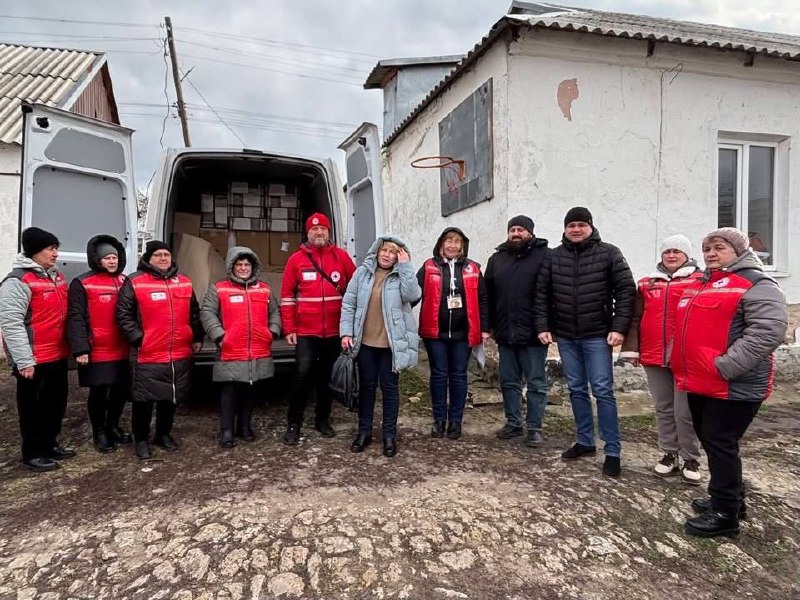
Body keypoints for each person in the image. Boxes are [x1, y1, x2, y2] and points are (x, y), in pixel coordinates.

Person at [672, 228, 787, 537]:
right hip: (699, 380)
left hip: (733, 384)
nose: (711, 253)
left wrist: (725, 367)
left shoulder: (757, 284)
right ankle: (730, 499)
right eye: (707, 248)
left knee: (720, 441)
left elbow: (769, 331)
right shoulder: (703, 282)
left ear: (739, 250)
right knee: (713, 440)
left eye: (719, 247)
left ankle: (725, 515)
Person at [535, 207, 635, 477]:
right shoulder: (554, 257)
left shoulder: (609, 253)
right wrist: (543, 326)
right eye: (571, 225)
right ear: (565, 228)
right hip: (566, 336)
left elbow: (626, 290)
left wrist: (618, 327)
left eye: (581, 224)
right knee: (576, 390)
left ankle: (612, 451)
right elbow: (541, 294)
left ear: (590, 226)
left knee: (603, 390)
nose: (576, 229)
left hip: (598, 336)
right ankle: (585, 441)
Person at [621, 234, 703, 484]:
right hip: (654, 355)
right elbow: (635, 319)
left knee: (684, 410)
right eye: (667, 251)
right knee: (663, 407)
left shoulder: (702, 280)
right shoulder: (647, 284)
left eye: (677, 251)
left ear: (687, 255)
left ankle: (691, 457)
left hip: (686, 357)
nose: (671, 255)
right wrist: (632, 350)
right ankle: (669, 453)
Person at [116, 240, 203, 459]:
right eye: (158, 255)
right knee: (143, 399)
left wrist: (197, 335)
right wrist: (138, 338)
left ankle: (163, 434)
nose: (163, 258)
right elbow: (123, 314)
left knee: (170, 397)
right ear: (148, 258)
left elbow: (194, 311)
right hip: (149, 351)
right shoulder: (135, 281)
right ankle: (141, 439)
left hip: (179, 351)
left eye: (166, 254)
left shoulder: (183, 282)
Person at [0, 227, 74, 471]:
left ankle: (50, 444)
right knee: (33, 407)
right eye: (50, 249)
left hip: (57, 354)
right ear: (34, 251)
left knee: (56, 403)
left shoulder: (55, 276)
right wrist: (24, 361)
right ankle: (32, 452)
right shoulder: (18, 281)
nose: (55, 253)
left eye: (56, 248)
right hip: (34, 358)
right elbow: (11, 323)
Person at [340, 236, 421, 457]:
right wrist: (346, 332)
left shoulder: (400, 275)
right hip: (365, 342)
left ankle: (389, 435)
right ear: (377, 251)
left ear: (398, 256)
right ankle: (364, 432)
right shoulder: (362, 274)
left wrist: (405, 266)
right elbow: (349, 303)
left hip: (390, 345)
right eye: (384, 250)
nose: (386, 255)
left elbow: (413, 295)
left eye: (392, 252)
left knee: (389, 389)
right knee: (366, 388)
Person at [281, 213, 356, 445]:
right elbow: (286, 297)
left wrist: (350, 327)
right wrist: (290, 327)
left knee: (326, 379)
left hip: (334, 332)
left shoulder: (341, 257)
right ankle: (294, 423)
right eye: (314, 230)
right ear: (307, 233)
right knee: (302, 376)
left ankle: (322, 420)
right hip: (306, 332)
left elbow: (355, 290)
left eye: (323, 229)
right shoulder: (296, 260)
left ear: (329, 232)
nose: (319, 233)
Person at [201, 246, 282, 448]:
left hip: (257, 349)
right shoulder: (218, 288)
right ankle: (227, 430)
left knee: (250, 389)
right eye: (239, 264)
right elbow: (207, 313)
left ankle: (245, 427)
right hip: (230, 348)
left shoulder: (264, 288)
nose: (243, 268)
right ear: (231, 266)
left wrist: (271, 332)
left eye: (247, 264)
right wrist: (220, 336)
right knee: (229, 391)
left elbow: (275, 311)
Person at [417, 227, 489, 440]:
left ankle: (455, 421)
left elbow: (483, 299)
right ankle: (439, 419)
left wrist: (485, 328)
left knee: (458, 375)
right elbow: (413, 292)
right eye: (449, 241)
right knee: (439, 375)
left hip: (463, 333)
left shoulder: (473, 268)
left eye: (457, 242)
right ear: (441, 244)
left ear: (462, 246)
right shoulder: (429, 266)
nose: (452, 245)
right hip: (435, 333)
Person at [484, 215, 550, 447]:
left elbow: (551, 293)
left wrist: (548, 325)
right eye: (513, 229)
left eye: (521, 229)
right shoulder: (497, 259)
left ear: (530, 232)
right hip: (505, 331)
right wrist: (488, 325)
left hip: (534, 333)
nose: (516, 233)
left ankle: (534, 427)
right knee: (509, 380)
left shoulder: (545, 256)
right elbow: (487, 294)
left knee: (536, 383)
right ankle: (513, 422)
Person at [67, 235, 132, 453]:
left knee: (120, 391)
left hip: (123, 348)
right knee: (99, 393)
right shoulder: (82, 283)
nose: (112, 261)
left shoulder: (125, 281)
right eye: (107, 258)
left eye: (114, 257)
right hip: (97, 350)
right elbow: (75, 317)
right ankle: (99, 432)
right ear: (97, 259)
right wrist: (81, 348)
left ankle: (113, 426)